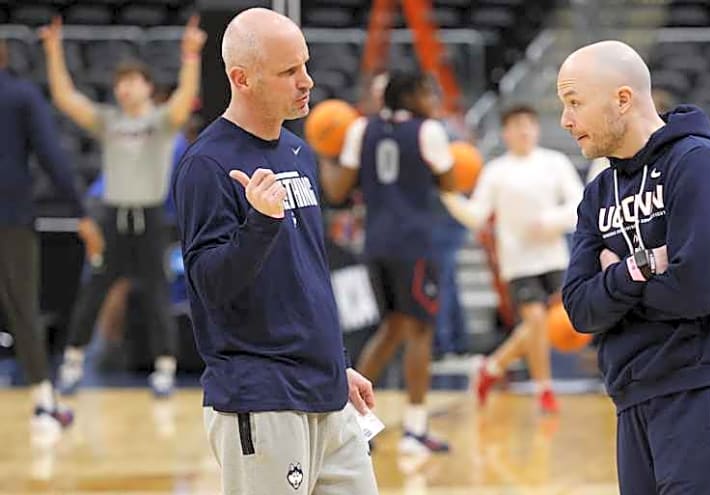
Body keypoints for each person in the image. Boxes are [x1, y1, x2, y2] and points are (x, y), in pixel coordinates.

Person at [172, 8, 378, 494]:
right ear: (241, 78)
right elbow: (210, 286)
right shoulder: (207, 164)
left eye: (305, 65)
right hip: (261, 399)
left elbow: (302, 274)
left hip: (325, 392)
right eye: (289, 72)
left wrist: (331, 363)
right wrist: (259, 224)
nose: (306, 82)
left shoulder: (297, 151)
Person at [559, 41, 710, 495]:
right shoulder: (599, 193)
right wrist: (642, 267)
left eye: (574, 103)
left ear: (623, 99)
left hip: (704, 380)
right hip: (633, 389)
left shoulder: (698, 164)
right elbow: (579, 308)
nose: (565, 120)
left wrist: (613, 286)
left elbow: (696, 290)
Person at [40, 15, 204, 397]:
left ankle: (164, 370)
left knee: (157, 294)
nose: (124, 89)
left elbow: (182, 102)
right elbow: (66, 99)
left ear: (147, 87)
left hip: (150, 218)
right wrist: (53, 51)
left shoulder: (162, 122)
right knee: (94, 290)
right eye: (119, 84)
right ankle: (74, 362)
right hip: (113, 217)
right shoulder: (109, 121)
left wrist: (190, 56)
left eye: (131, 82)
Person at [320, 72, 455, 455]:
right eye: (427, 91)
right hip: (414, 245)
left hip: (375, 243)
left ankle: (353, 422)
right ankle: (414, 430)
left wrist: (323, 148)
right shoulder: (428, 131)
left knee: (392, 327)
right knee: (420, 333)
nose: (433, 99)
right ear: (410, 95)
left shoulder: (360, 129)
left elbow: (338, 190)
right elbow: (448, 182)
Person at [440, 104, 583, 413]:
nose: (524, 131)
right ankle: (545, 390)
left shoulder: (554, 163)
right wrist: (449, 196)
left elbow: (578, 204)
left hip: (554, 257)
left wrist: (551, 220)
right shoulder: (496, 171)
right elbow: (477, 216)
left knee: (546, 326)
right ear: (506, 133)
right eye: (517, 125)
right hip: (518, 262)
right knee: (534, 321)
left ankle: (492, 366)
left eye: (529, 124)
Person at [0, 39, 102, 441]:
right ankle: (44, 400)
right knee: (22, 306)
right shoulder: (21, 95)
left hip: (12, 215)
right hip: (11, 217)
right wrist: (79, 210)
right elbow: (51, 154)